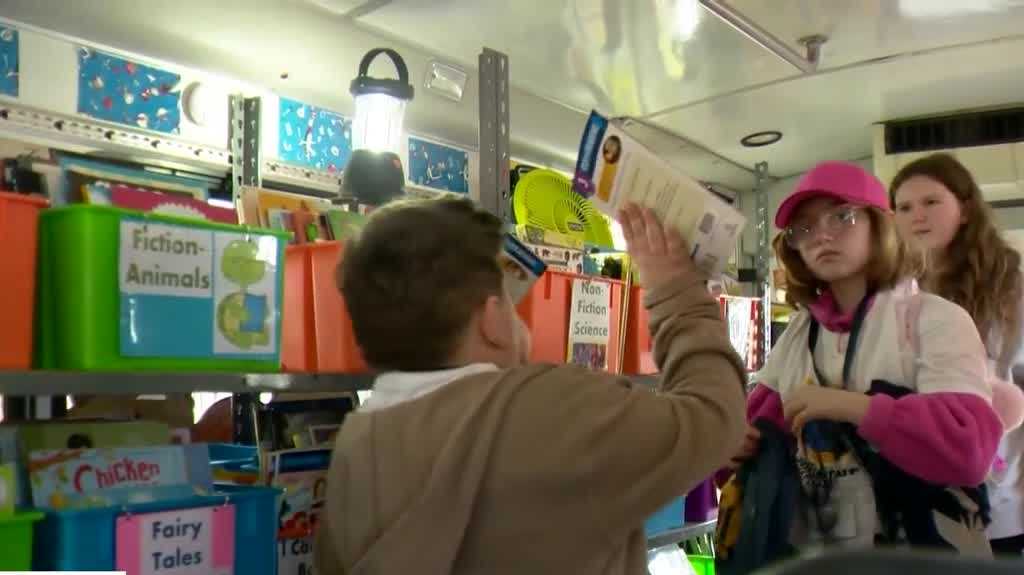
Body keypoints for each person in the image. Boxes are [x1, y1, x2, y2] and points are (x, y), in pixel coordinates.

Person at [314, 197, 746, 574]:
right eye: (509, 300)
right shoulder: (546, 408)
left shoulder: (353, 446)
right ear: (491, 321)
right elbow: (713, 416)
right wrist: (677, 293)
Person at [729, 161, 1001, 554]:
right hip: (822, 558)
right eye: (803, 228)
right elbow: (755, 427)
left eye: (842, 216)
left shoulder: (933, 319)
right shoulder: (799, 336)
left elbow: (970, 451)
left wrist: (853, 408)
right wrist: (735, 444)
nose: (821, 235)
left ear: (881, 226)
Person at [891, 152, 1024, 556]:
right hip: (917, 493)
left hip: (1002, 492)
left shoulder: (1010, 285)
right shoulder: (894, 289)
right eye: (904, 207)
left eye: (931, 202)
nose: (917, 216)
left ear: (965, 209)